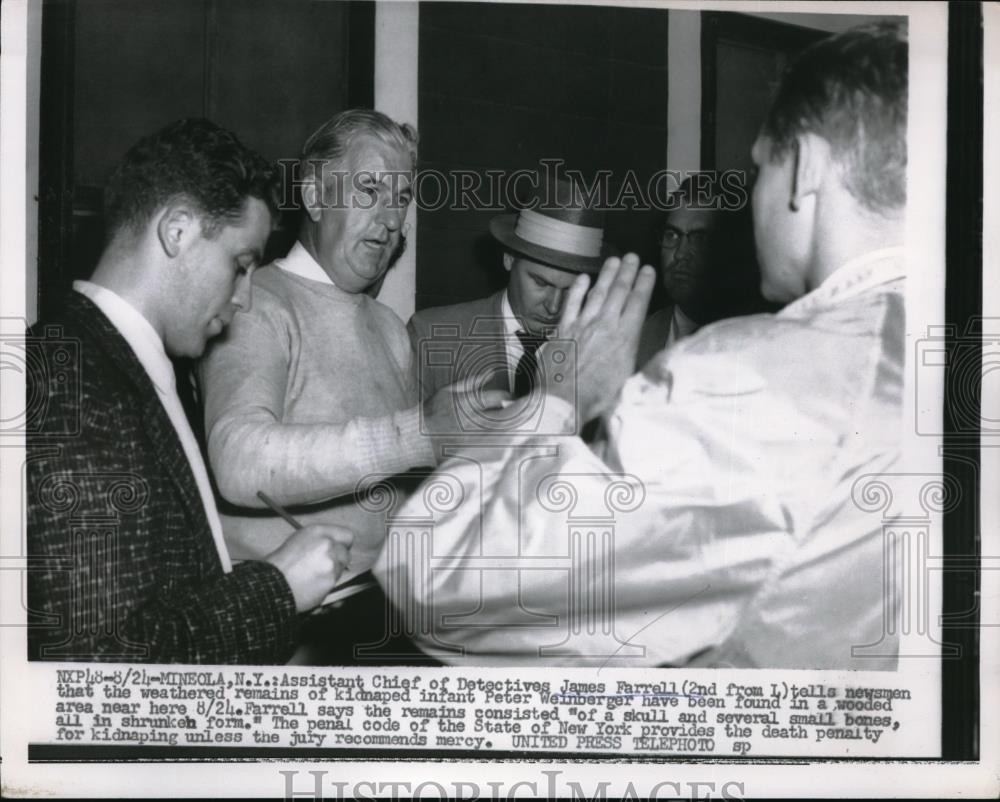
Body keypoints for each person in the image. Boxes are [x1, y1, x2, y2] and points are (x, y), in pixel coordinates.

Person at [375, 21, 908, 670]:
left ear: (807, 169)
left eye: (759, 166)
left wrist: (555, 397)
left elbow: (435, 585)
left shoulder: (739, 378)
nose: (751, 201)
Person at [27, 119, 353, 663]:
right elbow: (101, 664)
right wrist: (277, 588)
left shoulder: (127, 365)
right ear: (176, 230)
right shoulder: (70, 384)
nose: (245, 297)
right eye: (240, 265)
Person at [199, 109, 503, 579]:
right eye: (369, 190)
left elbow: (401, 482)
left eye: (401, 199)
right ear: (316, 196)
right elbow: (239, 459)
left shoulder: (387, 326)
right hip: (286, 619)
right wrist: (419, 434)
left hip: (383, 603)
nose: (389, 220)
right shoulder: (254, 304)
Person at [408, 173, 617, 401]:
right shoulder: (430, 335)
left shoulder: (598, 356)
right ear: (508, 259)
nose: (554, 306)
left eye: (571, 289)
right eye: (540, 282)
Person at [635, 176, 769, 368]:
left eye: (701, 239)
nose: (680, 254)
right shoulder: (640, 335)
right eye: (671, 235)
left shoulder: (764, 342)